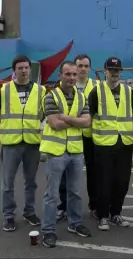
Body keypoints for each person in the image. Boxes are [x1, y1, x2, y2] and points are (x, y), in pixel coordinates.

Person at [40, 61, 91, 248]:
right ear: (60, 76)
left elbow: (87, 122)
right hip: (56, 152)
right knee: (52, 194)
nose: (71, 78)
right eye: (67, 74)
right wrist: (76, 120)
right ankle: (48, 231)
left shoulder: (81, 97)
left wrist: (67, 118)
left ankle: (75, 223)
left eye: (74, 75)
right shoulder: (50, 97)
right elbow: (55, 124)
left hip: (76, 152)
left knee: (75, 192)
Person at [0, 55, 46, 232]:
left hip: (32, 143)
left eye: (26, 67)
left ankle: (29, 212)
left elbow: (43, 115)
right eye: (20, 68)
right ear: (14, 70)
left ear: (29, 69)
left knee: (31, 182)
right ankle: (8, 216)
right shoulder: (5, 89)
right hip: (11, 143)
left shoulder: (40, 90)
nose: (24, 70)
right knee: (7, 183)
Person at [88, 57, 133, 231]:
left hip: (124, 143)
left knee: (122, 181)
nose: (114, 73)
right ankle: (103, 216)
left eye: (117, 70)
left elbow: (131, 114)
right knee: (104, 181)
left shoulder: (128, 91)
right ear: (105, 71)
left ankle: (116, 213)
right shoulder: (96, 92)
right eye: (111, 70)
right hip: (103, 145)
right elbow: (90, 116)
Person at [56, 54, 99, 223]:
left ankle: (94, 206)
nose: (82, 69)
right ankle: (63, 207)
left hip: (89, 137)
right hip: (69, 136)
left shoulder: (97, 86)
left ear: (89, 68)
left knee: (93, 173)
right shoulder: (61, 87)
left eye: (85, 66)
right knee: (65, 174)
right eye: (79, 65)